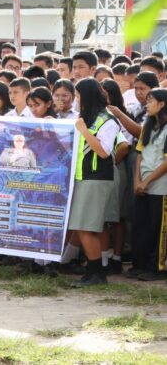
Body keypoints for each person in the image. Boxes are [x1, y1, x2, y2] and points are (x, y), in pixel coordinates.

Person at [68, 78, 119, 288]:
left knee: (85, 227)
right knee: (85, 228)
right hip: (84, 177)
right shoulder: (86, 118)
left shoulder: (107, 120)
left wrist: (84, 131)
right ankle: (93, 272)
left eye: (78, 96)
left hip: (97, 178)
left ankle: (97, 273)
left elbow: (104, 151)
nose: (76, 100)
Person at [132, 88, 167, 281]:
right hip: (143, 184)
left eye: (151, 101)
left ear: (162, 104)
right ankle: (142, 264)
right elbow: (140, 154)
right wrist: (137, 180)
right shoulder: (148, 125)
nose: (147, 104)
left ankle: (157, 267)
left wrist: (147, 181)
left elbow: (166, 162)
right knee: (142, 225)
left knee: (158, 227)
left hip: (161, 186)